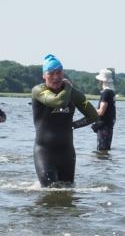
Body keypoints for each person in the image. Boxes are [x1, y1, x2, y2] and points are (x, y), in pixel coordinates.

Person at [30, 54, 98, 187]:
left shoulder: (73, 94)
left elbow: (93, 115)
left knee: (67, 191)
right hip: (44, 152)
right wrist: (67, 87)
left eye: (59, 72)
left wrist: (73, 125)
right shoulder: (38, 91)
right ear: (44, 75)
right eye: (51, 73)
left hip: (66, 153)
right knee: (50, 191)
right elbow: (58, 101)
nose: (56, 77)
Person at [92, 68, 116, 151]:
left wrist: (90, 111)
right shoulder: (111, 92)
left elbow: (101, 112)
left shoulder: (106, 93)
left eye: (99, 81)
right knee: (106, 150)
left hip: (104, 126)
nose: (98, 82)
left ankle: (101, 163)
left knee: (101, 149)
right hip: (109, 125)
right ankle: (105, 163)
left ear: (102, 81)